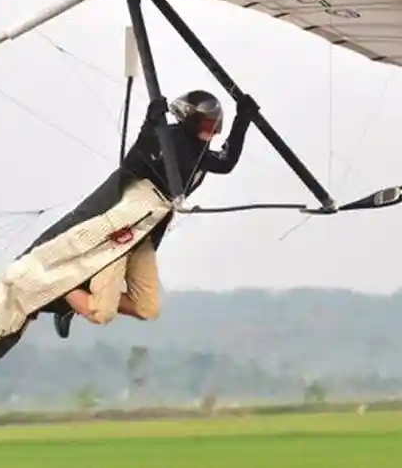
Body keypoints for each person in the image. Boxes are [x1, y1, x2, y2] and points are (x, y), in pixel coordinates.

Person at [45, 88, 257, 338]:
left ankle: (80, 295)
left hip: (147, 230)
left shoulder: (199, 149)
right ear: (191, 121)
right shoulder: (170, 138)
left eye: (216, 126)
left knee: (148, 308)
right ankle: (65, 287)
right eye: (208, 125)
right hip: (125, 225)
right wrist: (149, 126)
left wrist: (243, 119)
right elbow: (132, 164)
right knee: (103, 310)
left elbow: (225, 162)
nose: (211, 133)